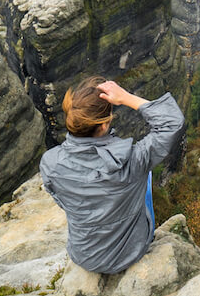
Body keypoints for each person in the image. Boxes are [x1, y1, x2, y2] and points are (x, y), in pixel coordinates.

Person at [39, 77, 185, 275]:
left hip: (85, 256)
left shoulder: (50, 163)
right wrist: (125, 97)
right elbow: (172, 122)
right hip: (129, 253)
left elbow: (62, 201)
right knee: (145, 178)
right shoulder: (133, 161)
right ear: (104, 125)